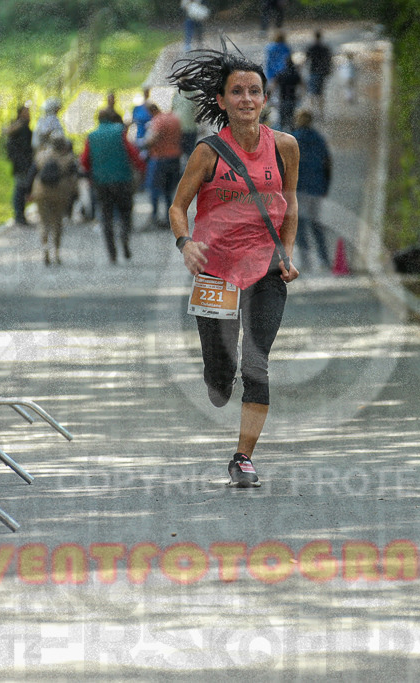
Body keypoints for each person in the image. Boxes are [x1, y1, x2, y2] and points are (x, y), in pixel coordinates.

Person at [168, 40, 300, 487]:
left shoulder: (285, 147)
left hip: (265, 270)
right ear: (222, 101)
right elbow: (177, 207)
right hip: (216, 273)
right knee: (221, 377)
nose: (247, 99)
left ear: (265, 98)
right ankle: (217, 378)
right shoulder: (208, 152)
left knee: (256, 365)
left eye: (254, 91)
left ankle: (243, 457)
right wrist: (186, 243)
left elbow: (290, 201)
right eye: (237, 92)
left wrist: (287, 251)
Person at [81, 108, 145, 263]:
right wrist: (141, 168)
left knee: (106, 217)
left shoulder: (92, 136)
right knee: (125, 213)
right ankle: (124, 237)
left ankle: (112, 254)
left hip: (101, 182)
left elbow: (84, 160)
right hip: (122, 180)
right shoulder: (119, 132)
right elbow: (132, 152)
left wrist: (93, 173)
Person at [30, 135, 80, 266]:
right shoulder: (68, 158)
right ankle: (56, 252)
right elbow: (75, 176)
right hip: (60, 192)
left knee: (43, 221)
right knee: (57, 222)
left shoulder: (41, 156)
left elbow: (32, 173)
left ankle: (45, 247)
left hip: (41, 191)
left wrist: (28, 193)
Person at [292, 109, 332, 270]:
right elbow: (327, 163)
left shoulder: (292, 139)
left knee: (299, 227)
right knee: (316, 224)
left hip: (298, 188)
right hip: (316, 188)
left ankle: (306, 260)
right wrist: (325, 186)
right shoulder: (319, 139)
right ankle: (324, 259)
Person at [144, 102, 182, 229]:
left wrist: (141, 143)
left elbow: (153, 139)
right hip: (175, 158)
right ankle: (169, 218)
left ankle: (154, 217)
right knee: (168, 191)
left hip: (160, 159)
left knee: (154, 189)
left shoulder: (158, 121)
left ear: (151, 111)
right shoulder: (174, 119)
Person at [4, 103, 34, 226]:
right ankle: (19, 215)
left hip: (23, 163)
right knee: (20, 189)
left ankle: (20, 215)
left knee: (22, 189)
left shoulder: (22, 127)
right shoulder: (20, 128)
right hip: (22, 164)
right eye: (26, 112)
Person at [304, 30, 333, 113]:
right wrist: (329, 70)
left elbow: (307, 59)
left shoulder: (311, 47)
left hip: (313, 71)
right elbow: (329, 59)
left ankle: (312, 112)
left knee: (312, 93)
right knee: (320, 93)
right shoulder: (325, 47)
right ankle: (321, 112)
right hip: (322, 72)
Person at [171, 83, 202, 159]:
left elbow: (199, 111)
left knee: (189, 152)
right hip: (178, 128)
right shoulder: (177, 94)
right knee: (179, 151)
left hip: (190, 128)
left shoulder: (194, 93)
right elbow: (172, 109)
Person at [276, 55, 301, 132]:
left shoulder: (281, 73)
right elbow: (303, 86)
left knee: (282, 121)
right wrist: (300, 95)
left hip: (282, 99)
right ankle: (292, 136)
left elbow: (272, 85)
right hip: (292, 99)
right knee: (292, 120)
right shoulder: (295, 74)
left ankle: (281, 137)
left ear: (285, 63)